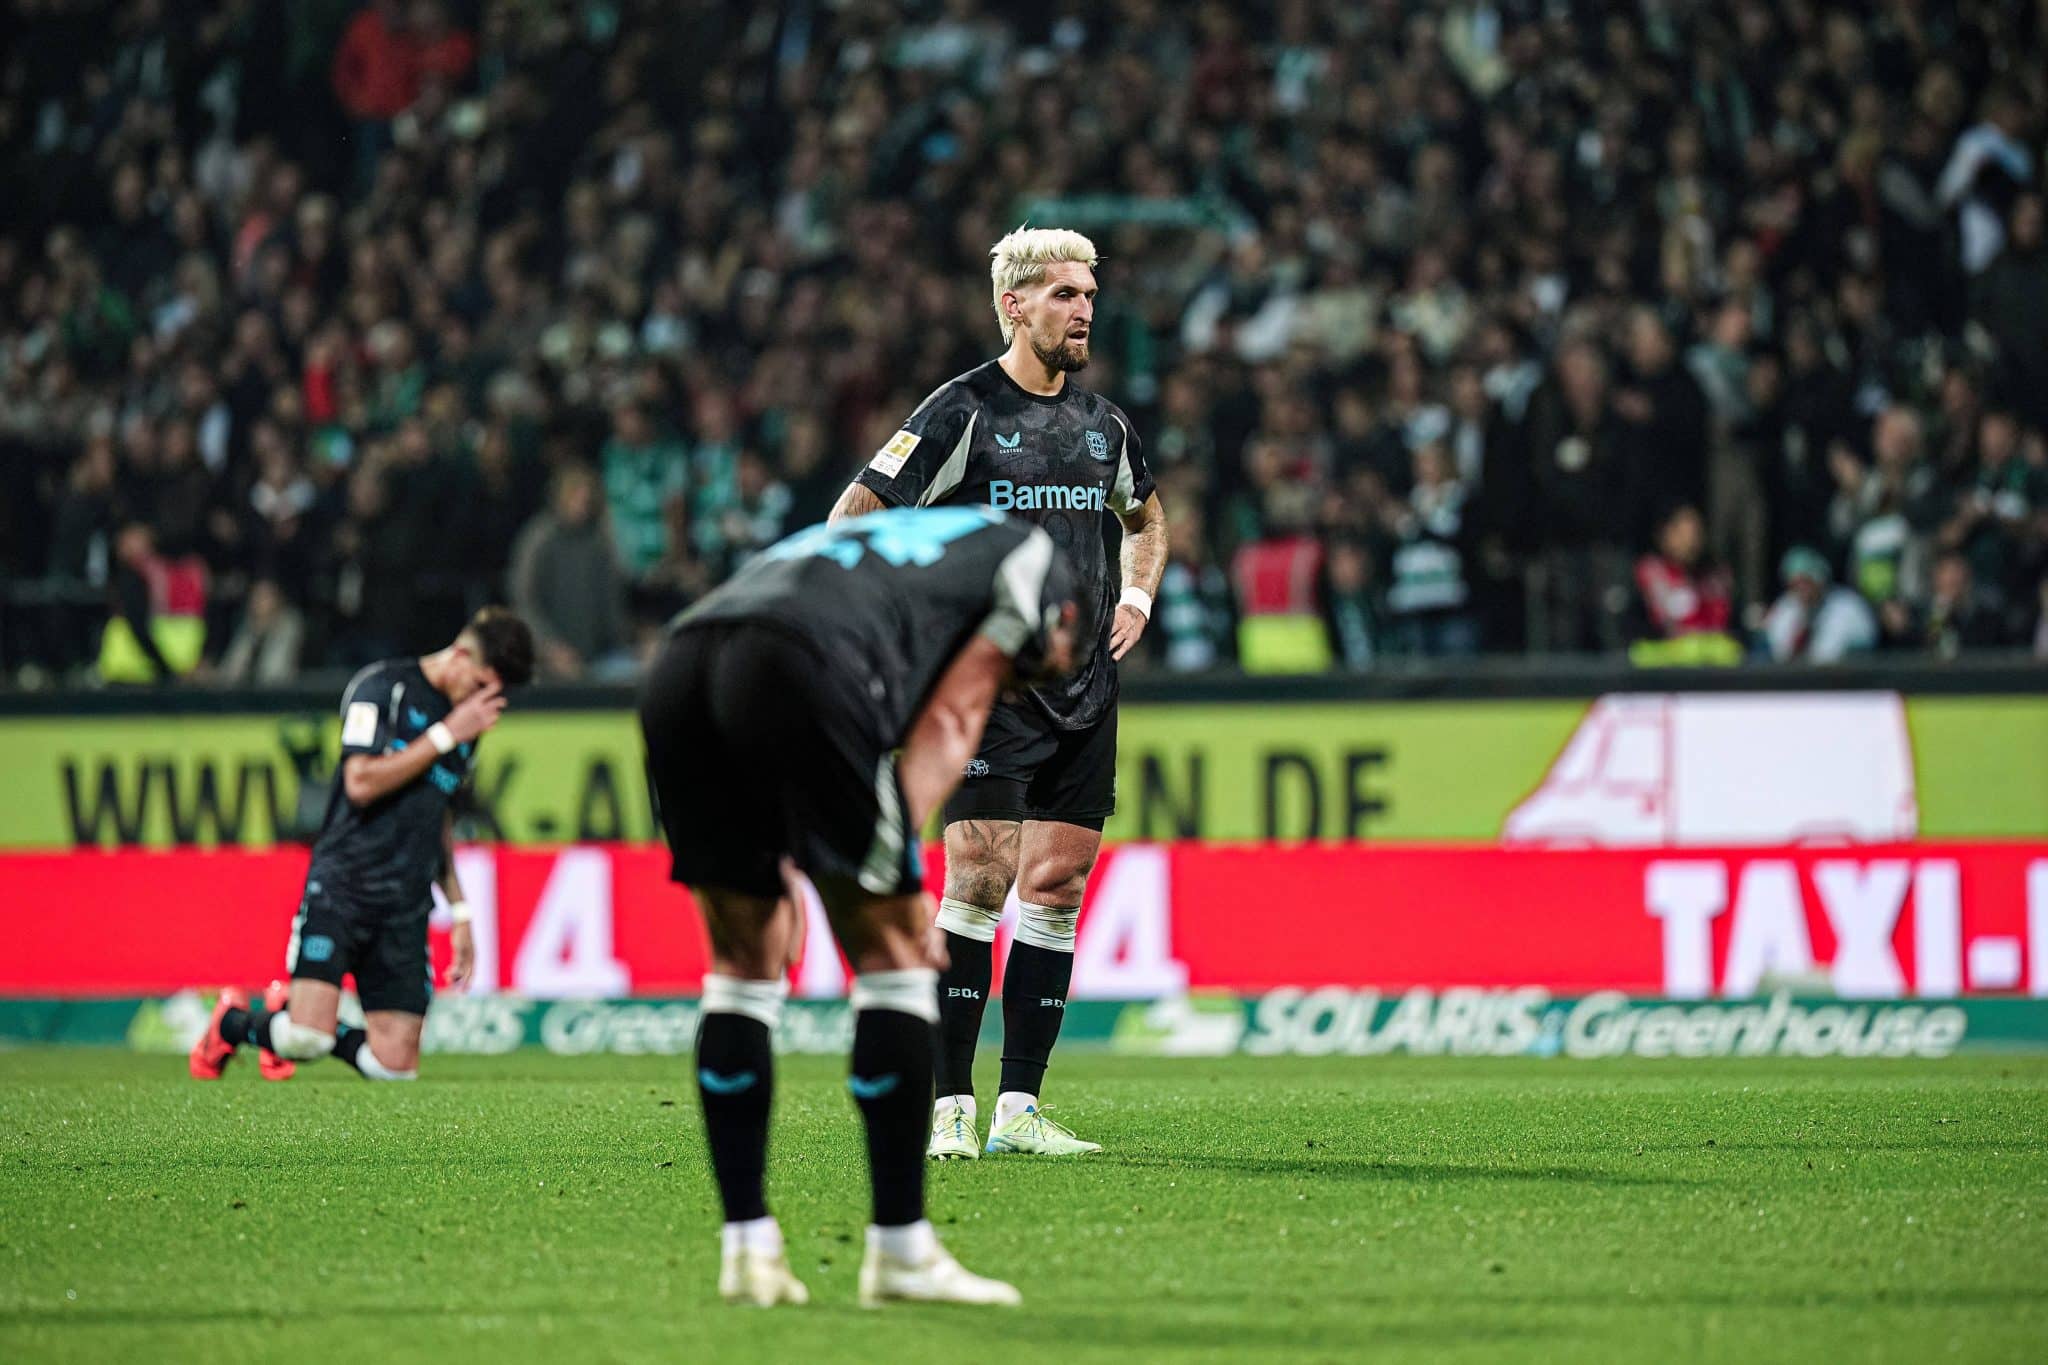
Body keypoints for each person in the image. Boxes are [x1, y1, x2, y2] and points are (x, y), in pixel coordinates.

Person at [639, 506, 1089, 1308]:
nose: (1025, 686)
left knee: (742, 963)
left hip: (684, 656)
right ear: (1066, 620)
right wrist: (892, 874)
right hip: (799, 661)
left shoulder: (909, 548)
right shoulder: (1032, 562)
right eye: (1036, 673)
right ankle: (900, 1250)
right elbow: (951, 718)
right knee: (893, 954)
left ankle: (746, 1245)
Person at [826, 227, 1168, 1161]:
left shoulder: (1106, 425)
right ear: (1014, 304)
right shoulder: (961, 412)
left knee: (1055, 887)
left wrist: (1136, 593)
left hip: (1085, 690)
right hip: (986, 690)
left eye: (1091, 293)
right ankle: (948, 1108)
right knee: (977, 875)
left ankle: (1020, 1108)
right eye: (1065, 294)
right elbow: (854, 517)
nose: (1086, 309)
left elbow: (1145, 515)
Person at [189, 607, 535, 1083]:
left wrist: (460, 911)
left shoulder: (464, 731)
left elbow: (439, 817)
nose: (480, 706)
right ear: (459, 656)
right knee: (309, 1039)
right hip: (344, 886)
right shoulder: (382, 688)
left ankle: (287, 1015)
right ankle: (232, 1023)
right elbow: (360, 782)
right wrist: (445, 734)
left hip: (405, 904)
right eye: (479, 688)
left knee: (394, 1069)